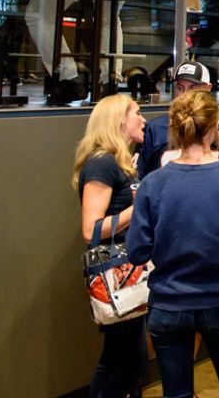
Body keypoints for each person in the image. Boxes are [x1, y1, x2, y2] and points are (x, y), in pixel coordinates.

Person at [125, 91, 219, 398]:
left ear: (175, 128)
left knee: (175, 393)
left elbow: (136, 251)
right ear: (216, 126)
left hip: (168, 304)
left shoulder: (153, 184)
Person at [72, 94, 148, 398]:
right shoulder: (102, 164)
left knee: (122, 358)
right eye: (137, 113)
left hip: (129, 275)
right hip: (116, 276)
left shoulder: (121, 164)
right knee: (128, 361)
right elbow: (90, 229)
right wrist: (139, 208)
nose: (143, 119)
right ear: (120, 121)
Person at [138, 61, 219, 180]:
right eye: (180, 88)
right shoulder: (155, 129)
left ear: (208, 88)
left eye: (193, 88)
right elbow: (141, 178)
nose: (185, 95)